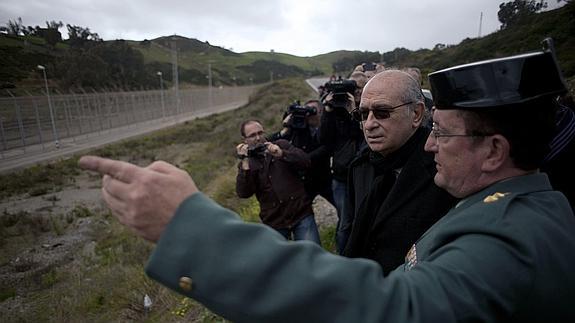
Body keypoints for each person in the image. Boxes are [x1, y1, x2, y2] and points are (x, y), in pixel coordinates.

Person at [79, 45, 575, 322]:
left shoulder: (508, 236)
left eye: (441, 132)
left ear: (494, 151)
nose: (429, 144)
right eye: (361, 114)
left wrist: (191, 230)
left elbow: (394, 312)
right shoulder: (509, 205)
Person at [343, 70, 456, 274]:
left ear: (416, 114)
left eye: (382, 112)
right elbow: (349, 229)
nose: (369, 124)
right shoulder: (360, 168)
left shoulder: (446, 170)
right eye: (363, 114)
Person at [235, 119, 321, 244]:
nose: (258, 138)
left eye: (260, 133)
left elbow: (306, 161)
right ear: (245, 140)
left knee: (313, 255)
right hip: (274, 221)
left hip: (300, 213)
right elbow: (243, 193)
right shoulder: (248, 163)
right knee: (281, 262)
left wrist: (281, 154)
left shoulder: (281, 144)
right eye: (252, 135)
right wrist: (245, 161)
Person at [319, 70, 366, 253]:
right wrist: (328, 111)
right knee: (345, 223)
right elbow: (324, 139)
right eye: (352, 88)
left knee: (361, 218)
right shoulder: (335, 109)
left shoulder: (369, 110)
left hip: (361, 174)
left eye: (358, 89)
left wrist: (354, 110)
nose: (355, 93)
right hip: (341, 176)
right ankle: (344, 256)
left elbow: (364, 136)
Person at [267, 99, 334, 204]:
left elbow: (327, 148)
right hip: (304, 180)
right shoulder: (299, 126)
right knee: (302, 212)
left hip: (323, 177)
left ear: (321, 111)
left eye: (312, 110)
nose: (309, 114)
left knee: (343, 208)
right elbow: (269, 142)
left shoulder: (326, 126)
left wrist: (303, 158)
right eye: (306, 110)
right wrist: (285, 128)